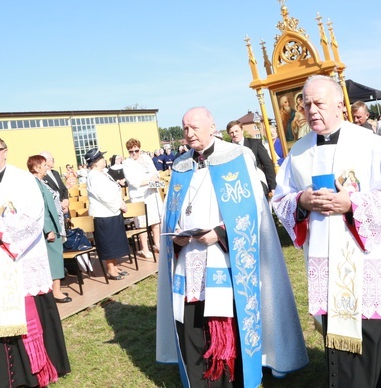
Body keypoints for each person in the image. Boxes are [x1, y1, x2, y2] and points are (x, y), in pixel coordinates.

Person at [271, 76, 381, 387]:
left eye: (318, 103)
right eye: (306, 104)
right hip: (323, 260)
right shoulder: (298, 151)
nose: (311, 110)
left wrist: (352, 204)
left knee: (368, 344)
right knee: (337, 347)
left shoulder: (370, 142)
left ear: (338, 105)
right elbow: (280, 200)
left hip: (363, 262)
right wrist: (302, 200)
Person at [157, 107, 308, 387]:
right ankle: (197, 379)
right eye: (184, 128)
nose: (188, 134)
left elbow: (253, 212)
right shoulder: (180, 166)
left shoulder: (236, 158)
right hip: (188, 260)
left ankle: (227, 379)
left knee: (222, 321)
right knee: (191, 322)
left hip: (223, 258)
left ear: (212, 126)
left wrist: (219, 233)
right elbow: (173, 212)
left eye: (194, 127)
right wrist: (175, 237)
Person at [0, 136, 70, 387]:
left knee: (26, 315)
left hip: (19, 259)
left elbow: (33, 216)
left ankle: (33, 371)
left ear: (5, 152)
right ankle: (8, 374)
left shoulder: (23, 180)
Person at [28, 155, 70, 303]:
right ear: (36, 167)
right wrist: (48, 229)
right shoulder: (34, 184)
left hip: (54, 224)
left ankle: (55, 289)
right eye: (44, 165)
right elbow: (41, 208)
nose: (48, 167)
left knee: (54, 258)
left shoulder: (40, 182)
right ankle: (56, 291)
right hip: (49, 227)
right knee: (54, 259)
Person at [85, 148, 131, 280]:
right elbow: (103, 195)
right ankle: (110, 269)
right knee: (108, 242)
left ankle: (114, 266)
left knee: (114, 241)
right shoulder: (93, 175)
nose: (104, 160)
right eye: (101, 158)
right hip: (103, 214)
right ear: (96, 162)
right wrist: (119, 204)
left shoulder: (103, 173)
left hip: (111, 212)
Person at [122, 138, 163, 258]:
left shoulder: (147, 158)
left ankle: (157, 244)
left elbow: (156, 172)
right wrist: (148, 181)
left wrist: (155, 177)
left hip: (152, 193)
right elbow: (132, 181)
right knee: (142, 223)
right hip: (139, 195)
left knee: (156, 220)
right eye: (131, 151)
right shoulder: (126, 163)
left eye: (136, 150)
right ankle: (144, 248)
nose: (134, 153)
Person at [226, 120, 277, 196]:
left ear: (242, 130)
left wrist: (273, 186)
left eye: (237, 131)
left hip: (258, 183)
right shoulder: (227, 149)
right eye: (231, 132)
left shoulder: (255, 143)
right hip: (239, 187)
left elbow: (268, 165)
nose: (235, 134)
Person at [40, 151, 70, 221]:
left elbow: (63, 189)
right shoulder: (42, 177)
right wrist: (60, 205)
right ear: (45, 161)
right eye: (52, 159)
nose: (54, 161)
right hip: (55, 212)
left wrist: (66, 200)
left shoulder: (55, 173)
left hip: (64, 209)